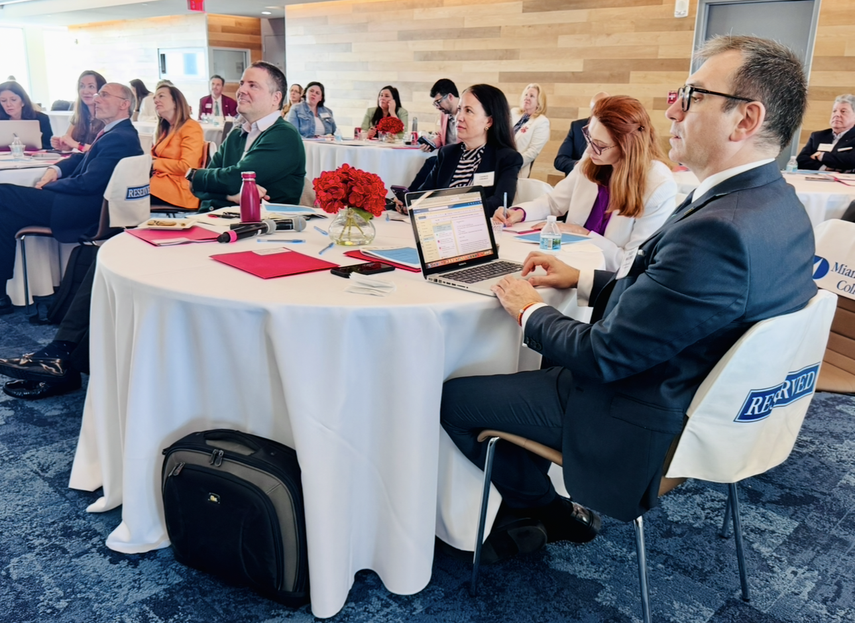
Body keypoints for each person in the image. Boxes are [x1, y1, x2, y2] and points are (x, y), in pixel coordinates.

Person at [440, 35, 816, 562]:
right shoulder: (777, 206)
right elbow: (678, 307)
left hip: (632, 411)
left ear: (745, 120)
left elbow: (604, 354)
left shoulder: (718, 230)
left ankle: (540, 507)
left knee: (453, 398)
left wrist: (527, 307)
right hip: (706, 400)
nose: (673, 108)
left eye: (693, 95)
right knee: (537, 360)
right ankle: (531, 503)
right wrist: (582, 280)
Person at [0, 82, 143, 315]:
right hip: (77, 203)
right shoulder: (113, 132)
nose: (96, 99)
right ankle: (2, 295)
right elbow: (80, 160)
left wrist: (51, 186)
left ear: (124, 104)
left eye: (104, 95)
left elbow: (89, 183)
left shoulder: (121, 137)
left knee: (3, 193)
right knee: (4, 216)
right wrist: (54, 170)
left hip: (81, 209)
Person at [495, 96, 677, 272]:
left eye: (600, 144)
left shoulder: (658, 186)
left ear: (628, 146)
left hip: (605, 283)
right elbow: (554, 202)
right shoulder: (593, 159)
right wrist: (520, 212)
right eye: (589, 138)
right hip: (567, 262)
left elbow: (631, 263)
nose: (589, 150)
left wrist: (583, 234)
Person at [187, 61, 306, 210]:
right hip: (215, 222)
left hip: (265, 229)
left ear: (275, 98)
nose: (241, 90)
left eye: (252, 85)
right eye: (241, 83)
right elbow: (198, 189)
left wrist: (195, 175)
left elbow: (234, 179)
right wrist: (229, 196)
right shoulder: (237, 133)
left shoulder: (284, 135)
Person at [409, 84, 522, 218]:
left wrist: (451, 210)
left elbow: (499, 203)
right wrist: (411, 204)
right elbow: (425, 194)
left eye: (468, 111)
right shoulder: (447, 153)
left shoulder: (507, 158)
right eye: (459, 110)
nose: (459, 117)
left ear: (489, 121)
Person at [150, 83, 205, 210]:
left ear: (176, 102)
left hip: (178, 189)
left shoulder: (190, 127)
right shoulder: (166, 128)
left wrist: (154, 163)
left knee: (126, 197)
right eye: (155, 98)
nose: (156, 100)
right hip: (161, 183)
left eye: (161, 96)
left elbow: (187, 167)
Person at [554, 91, 609, 175]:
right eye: (596, 110)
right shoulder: (576, 127)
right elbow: (560, 160)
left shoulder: (614, 131)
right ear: (591, 111)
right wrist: (580, 166)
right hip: (576, 180)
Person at [796, 94, 855, 172]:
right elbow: (801, 160)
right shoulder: (817, 136)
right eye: (834, 111)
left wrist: (822, 156)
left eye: (843, 111)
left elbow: (852, 160)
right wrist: (825, 169)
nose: (837, 115)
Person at [51, 70, 106, 152]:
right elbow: (69, 144)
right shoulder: (78, 116)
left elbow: (102, 150)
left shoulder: (108, 118)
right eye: (82, 86)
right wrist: (62, 144)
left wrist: (77, 145)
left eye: (91, 86)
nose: (85, 91)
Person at [510, 83, 550, 178]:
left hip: (516, 169)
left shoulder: (542, 121)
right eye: (526, 94)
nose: (527, 98)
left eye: (531, 96)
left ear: (539, 102)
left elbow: (533, 151)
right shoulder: (513, 112)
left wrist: (513, 164)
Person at [0, 80, 53, 149]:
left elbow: (49, 147)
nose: (8, 104)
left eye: (13, 100)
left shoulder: (41, 118)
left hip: (35, 158)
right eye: (3, 101)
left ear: (23, 101)